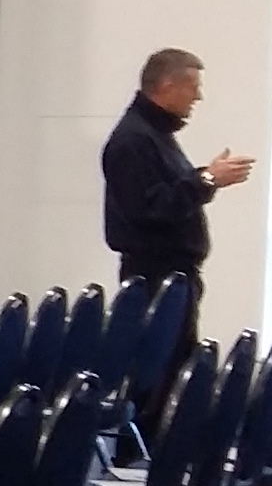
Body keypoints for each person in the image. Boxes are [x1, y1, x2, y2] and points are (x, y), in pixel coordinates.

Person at [99, 47, 253, 370]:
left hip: (175, 276)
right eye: (193, 87)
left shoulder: (155, 135)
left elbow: (168, 189)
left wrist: (204, 176)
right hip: (155, 277)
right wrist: (208, 179)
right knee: (160, 373)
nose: (198, 97)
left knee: (176, 366)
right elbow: (150, 208)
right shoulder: (133, 139)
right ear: (168, 86)